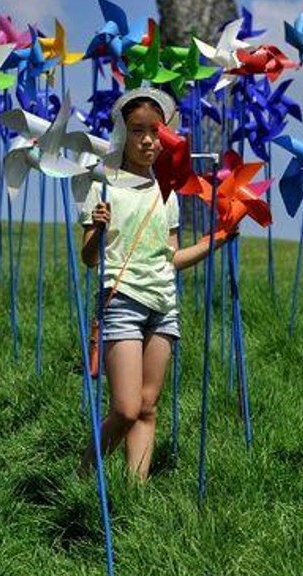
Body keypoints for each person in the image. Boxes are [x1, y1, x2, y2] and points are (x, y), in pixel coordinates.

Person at [79, 88, 235, 481]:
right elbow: (89, 258)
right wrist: (97, 228)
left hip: (163, 304)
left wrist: (215, 241)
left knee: (148, 406)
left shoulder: (168, 193)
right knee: (126, 408)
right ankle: (84, 474)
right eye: (137, 131)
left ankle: (135, 492)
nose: (147, 139)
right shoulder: (102, 185)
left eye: (155, 131)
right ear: (122, 133)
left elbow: (172, 259)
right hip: (123, 300)